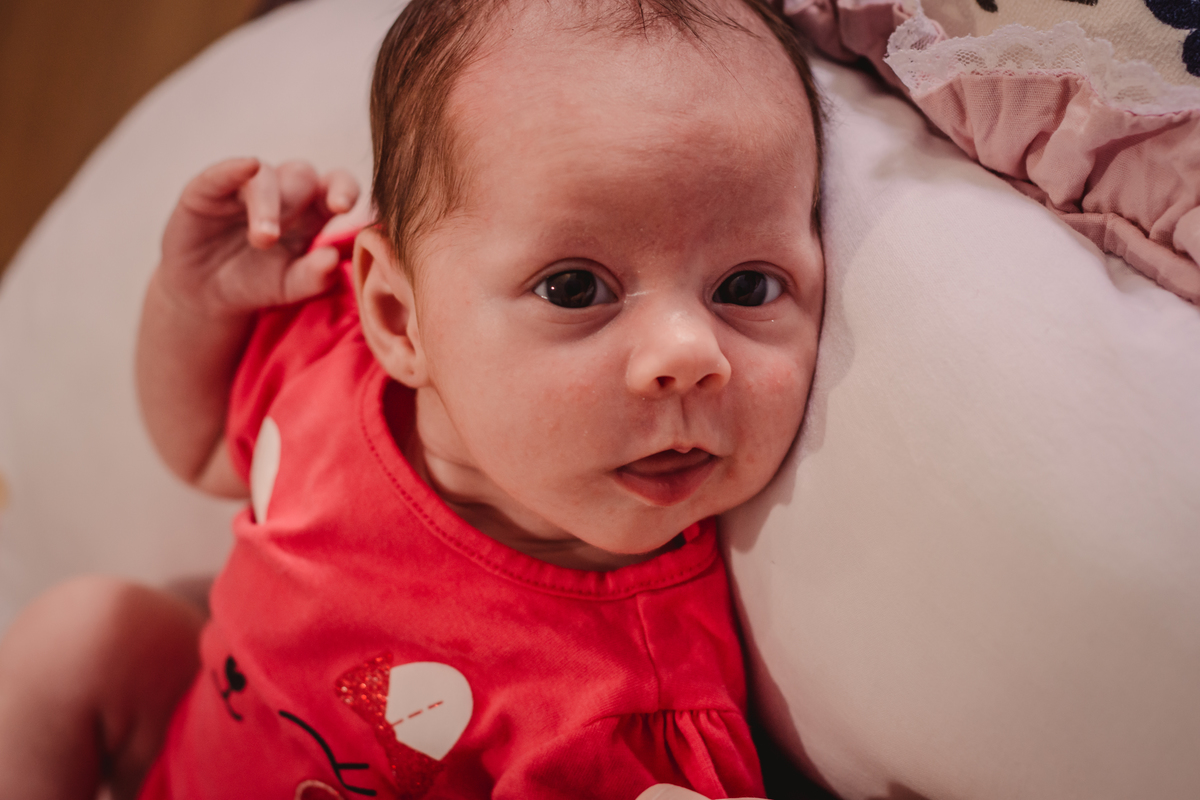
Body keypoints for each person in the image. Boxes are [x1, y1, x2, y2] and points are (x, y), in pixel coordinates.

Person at [0, 0, 824, 797]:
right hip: (183, 755)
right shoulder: (332, 365)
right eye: (576, 287)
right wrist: (192, 303)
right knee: (83, 634)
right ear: (398, 317)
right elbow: (202, 447)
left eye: (748, 285)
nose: (690, 354)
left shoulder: (625, 710)